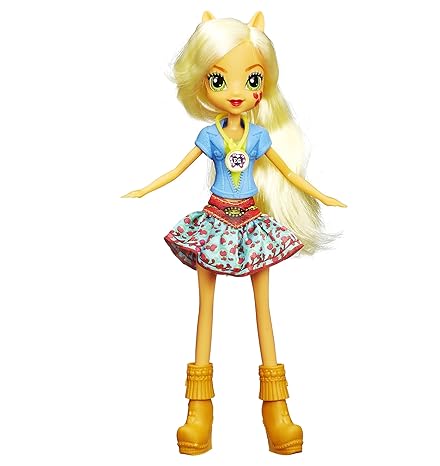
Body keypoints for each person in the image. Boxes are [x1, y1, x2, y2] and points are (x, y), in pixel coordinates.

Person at [123, 11, 346, 455]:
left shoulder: (259, 136)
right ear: (202, 84)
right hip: (214, 221)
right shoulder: (210, 135)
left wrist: (320, 193)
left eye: (252, 78)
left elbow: (287, 173)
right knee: (205, 311)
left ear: (264, 84)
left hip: (251, 221)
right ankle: (198, 410)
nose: (238, 91)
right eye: (219, 80)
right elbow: (178, 169)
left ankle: (276, 408)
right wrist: (146, 188)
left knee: (264, 312)